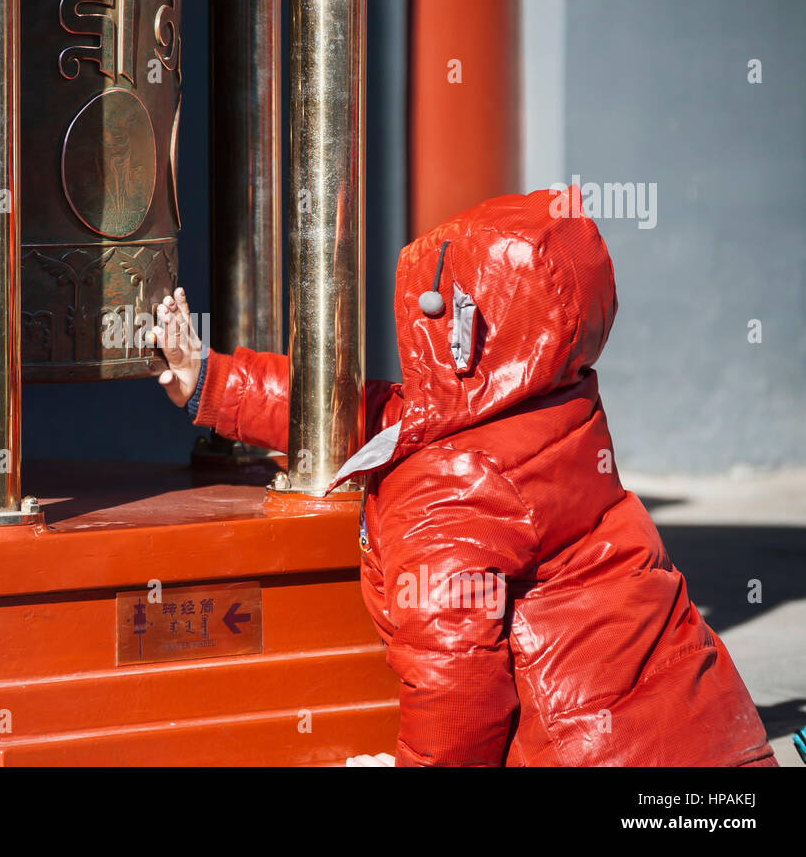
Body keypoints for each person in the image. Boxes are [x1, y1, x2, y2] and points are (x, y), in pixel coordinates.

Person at [153, 186, 775, 767]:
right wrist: (211, 379)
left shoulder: (450, 491)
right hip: (715, 741)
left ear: (459, 333)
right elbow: (370, 415)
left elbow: (458, 682)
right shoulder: (558, 407)